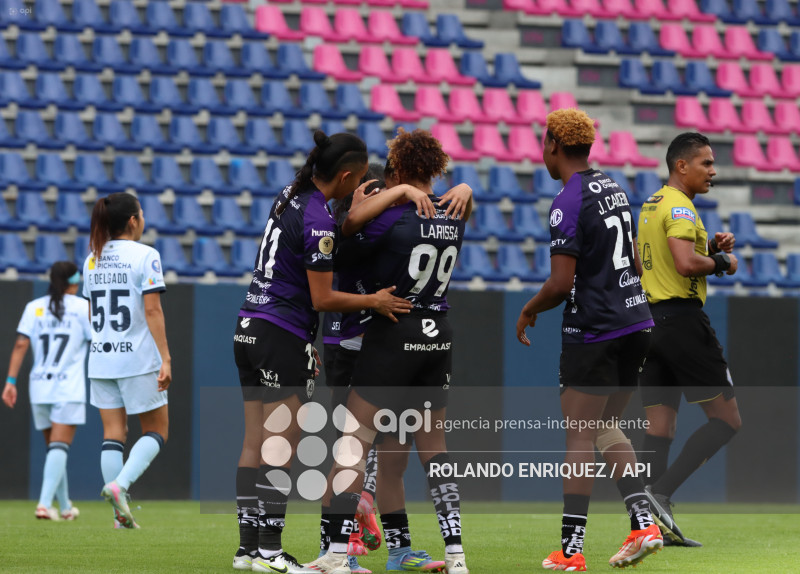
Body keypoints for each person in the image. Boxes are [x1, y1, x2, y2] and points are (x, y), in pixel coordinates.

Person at [232, 131, 416, 573]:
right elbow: (323, 299)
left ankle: (248, 549)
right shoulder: (318, 219)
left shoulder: (291, 194)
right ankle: (271, 551)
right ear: (349, 175)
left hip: (248, 324)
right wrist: (374, 301)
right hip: (281, 330)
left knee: (256, 439)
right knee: (283, 441)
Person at [308, 128, 471, 574]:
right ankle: (456, 555)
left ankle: (337, 553)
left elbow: (347, 228)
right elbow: (460, 209)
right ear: (436, 169)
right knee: (434, 450)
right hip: (437, 337)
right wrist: (465, 189)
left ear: (397, 169)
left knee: (353, 443)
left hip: (393, 332)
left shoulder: (392, 217)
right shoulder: (453, 213)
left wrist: (381, 197)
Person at [514, 109, 663, 571]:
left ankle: (572, 552)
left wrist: (528, 308)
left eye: (543, 143)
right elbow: (637, 266)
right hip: (637, 322)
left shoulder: (567, 201)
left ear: (553, 145)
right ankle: (643, 523)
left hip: (595, 328)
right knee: (604, 428)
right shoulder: (614, 187)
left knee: (579, 436)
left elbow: (561, 285)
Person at [636, 132, 741, 547]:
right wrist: (721, 261)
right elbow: (683, 264)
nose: (713, 171)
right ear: (682, 166)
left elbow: (662, 255)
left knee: (659, 427)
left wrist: (708, 245)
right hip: (681, 322)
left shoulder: (653, 203)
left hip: (647, 324)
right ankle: (660, 493)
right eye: (706, 163)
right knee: (728, 421)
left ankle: (644, 528)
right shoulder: (679, 206)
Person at [83, 192, 172, 529]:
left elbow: (92, 312)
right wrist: (165, 357)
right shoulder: (146, 255)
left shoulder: (92, 258)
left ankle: (118, 516)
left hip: (101, 357)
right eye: (142, 214)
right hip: (136, 358)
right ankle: (120, 487)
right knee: (157, 430)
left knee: (113, 433)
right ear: (133, 221)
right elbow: (152, 309)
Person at [3, 261, 91, 521]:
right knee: (59, 447)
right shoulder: (82, 307)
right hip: (68, 386)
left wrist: (10, 381)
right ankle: (43, 505)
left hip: (39, 385)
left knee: (55, 448)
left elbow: (20, 344)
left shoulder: (34, 307)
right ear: (75, 281)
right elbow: (97, 344)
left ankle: (64, 507)